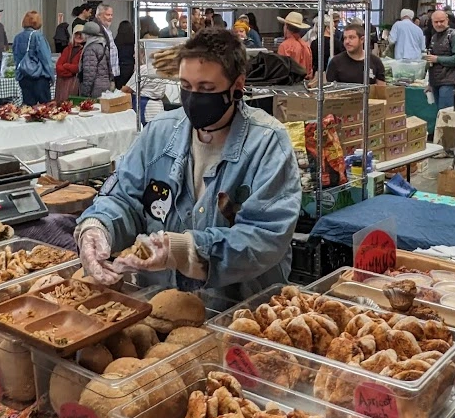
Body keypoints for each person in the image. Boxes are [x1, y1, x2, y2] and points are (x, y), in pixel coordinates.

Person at [72, 28, 301, 303]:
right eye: (186, 86)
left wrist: (186, 251)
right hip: (159, 301)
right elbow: (124, 198)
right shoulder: (159, 133)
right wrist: (99, 226)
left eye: (206, 89)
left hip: (238, 310)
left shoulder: (267, 144)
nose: (193, 98)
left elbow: (266, 237)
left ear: (237, 86)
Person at [423, 10, 455, 113]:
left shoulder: (454, 36)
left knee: (446, 115)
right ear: (432, 22)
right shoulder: (434, 37)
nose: (439, 24)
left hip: (448, 82)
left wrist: (438, 59)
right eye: (436, 22)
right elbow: (431, 62)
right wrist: (430, 83)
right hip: (436, 82)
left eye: (442, 21)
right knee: (439, 114)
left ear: (447, 20)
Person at [12, 11, 55, 105]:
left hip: (24, 77)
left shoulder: (17, 38)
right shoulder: (38, 36)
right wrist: (51, 76)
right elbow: (45, 58)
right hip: (39, 78)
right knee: (45, 108)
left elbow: (16, 57)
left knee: (28, 109)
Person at [77, 22, 113, 99]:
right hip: (106, 85)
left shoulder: (90, 49)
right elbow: (109, 68)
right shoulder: (103, 46)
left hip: (95, 88)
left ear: (87, 34)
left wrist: (85, 92)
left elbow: (89, 73)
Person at [275, 12, 313, 78]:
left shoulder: (285, 46)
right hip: (304, 84)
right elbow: (309, 70)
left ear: (286, 26)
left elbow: (281, 71)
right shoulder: (306, 45)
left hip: (290, 84)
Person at [54, 25, 85, 101]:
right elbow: (58, 67)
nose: (79, 36)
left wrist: (66, 66)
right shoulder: (67, 49)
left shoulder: (85, 50)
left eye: (81, 34)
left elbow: (78, 68)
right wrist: (70, 72)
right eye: (77, 34)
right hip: (63, 85)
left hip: (77, 85)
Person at [95, 3, 121, 85]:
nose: (110, 17)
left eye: (111, 15)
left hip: (109, 73)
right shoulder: (97, 30)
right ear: (99, 15)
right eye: (107, 15)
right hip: (103, 74)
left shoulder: (106, 29)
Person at [113, 8, 137, 90]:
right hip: (130, 67)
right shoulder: (134, 40)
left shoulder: (116, 41)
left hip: (119, 67)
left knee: (119, 90)